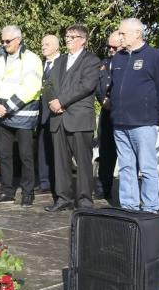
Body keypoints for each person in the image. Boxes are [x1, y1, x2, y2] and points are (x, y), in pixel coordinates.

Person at [110, 18, 159, 212]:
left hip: (143, 122)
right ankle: (129, 205)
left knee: (147, 167)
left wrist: (157, 115)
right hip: (119, 121)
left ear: (137, 33)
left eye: (123, 33)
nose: (120, 36)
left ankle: (150, 206)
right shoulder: (118, 58)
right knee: (126, 167)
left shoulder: (154, 56)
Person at [43, 25, 101, 212]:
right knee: (60, 161)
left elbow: (86, 86)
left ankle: (84, 200)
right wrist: (52, 101)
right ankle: (63, 198)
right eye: (67, 36)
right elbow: (48, 83)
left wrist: (62, 101)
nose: (68, 39)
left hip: (79, 117)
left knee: (83, 162)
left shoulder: (91, 60)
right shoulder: (60, 61)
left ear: (83, 40)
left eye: (72, 36)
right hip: (58, 118)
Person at [0, 25, 43, 207]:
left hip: (22, 115)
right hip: (1, 115)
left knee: (26, 156)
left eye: (7, 41)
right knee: (5, 155)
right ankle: (7, 191)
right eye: (2, 40)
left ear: (18, 40)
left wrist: (7, 107)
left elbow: (32, 87)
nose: (4, 44)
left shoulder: (31, 59)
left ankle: (27, 192)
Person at [94, 31, 122, 201]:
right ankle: (103, 188)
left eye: (114, 47)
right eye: (109, 46)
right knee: (106, 153)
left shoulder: (128, 62)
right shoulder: (104, 64)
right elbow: (98, 84)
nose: (111, 49)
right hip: (106, 113)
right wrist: (103, 99)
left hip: (124, 113)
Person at [36, 34, 61, 195]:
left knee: (57, 151)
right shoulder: (41, 65)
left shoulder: (63, 63)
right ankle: (44, 182)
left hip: (58, 113)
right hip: (41, 114)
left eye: (47, 44)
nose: (43, 47)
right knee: (43, 148)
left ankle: (57, 182)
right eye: (42, 44)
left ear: (57, 46)